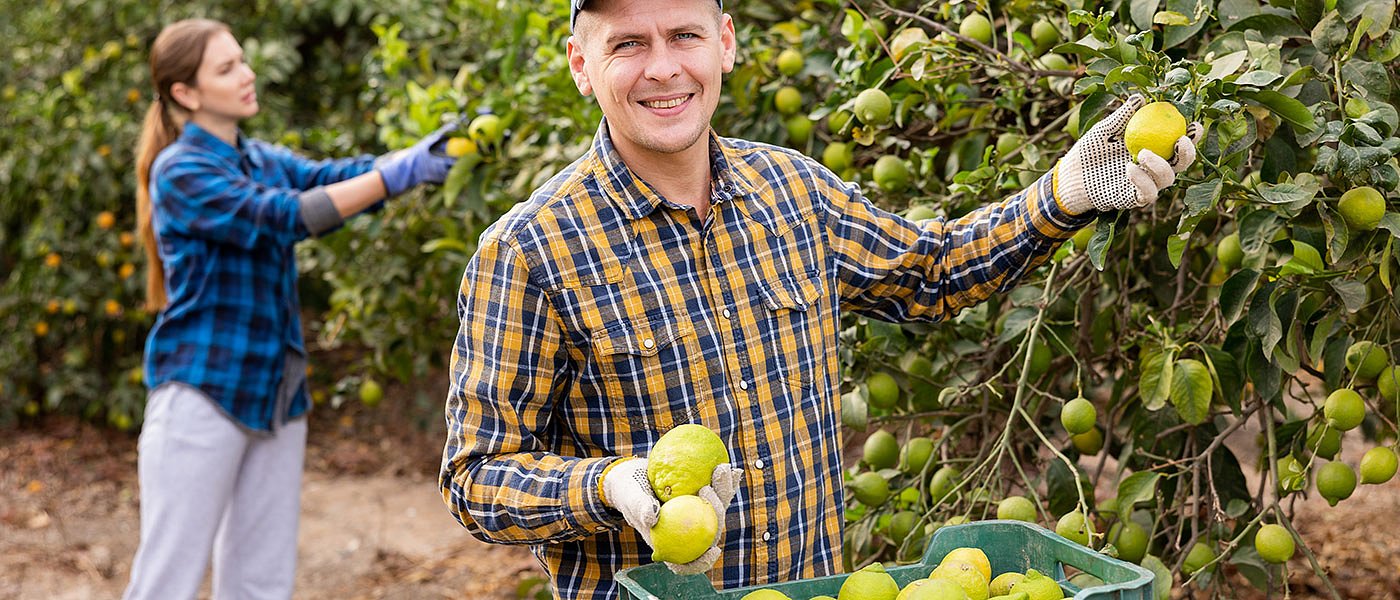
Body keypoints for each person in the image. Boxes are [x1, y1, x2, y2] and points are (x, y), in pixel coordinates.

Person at [438, 1, 1200, 598]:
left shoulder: (794, 191)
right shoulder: (531, 250)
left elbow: (930, 272)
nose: (663, 68)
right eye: (627, 44)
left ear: (725, 43)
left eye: (685, 35)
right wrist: (608, 485)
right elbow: (475, 477)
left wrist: (1062, 194)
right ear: (581, 63)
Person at [124, 18, 457, 600]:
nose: (248, 75)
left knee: (261, 581)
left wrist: (412, 159)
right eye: (227, 69)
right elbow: (286, 215)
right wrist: (397, 174)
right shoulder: (181, 170)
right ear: (186, 93)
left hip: (277, 393)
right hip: (202, 391)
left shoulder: (256, 157)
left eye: (243, 60)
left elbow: (330, 179)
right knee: (166, 582)